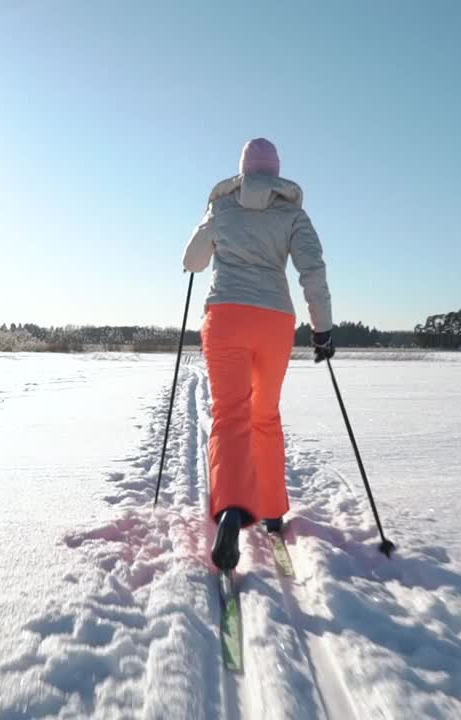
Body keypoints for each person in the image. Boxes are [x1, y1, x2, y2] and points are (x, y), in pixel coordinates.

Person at [182, 138, 334, 572]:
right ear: (276, 172)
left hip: (226, 315)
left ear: (243, 170)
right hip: (274, 322)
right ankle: (270, 510)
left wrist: (210, 222)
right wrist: (321, 328)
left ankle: (231, 510)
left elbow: (193, 261)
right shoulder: (292, 212)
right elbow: (312, 269)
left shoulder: (222, 207)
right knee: (265, 413)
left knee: (230, 415)